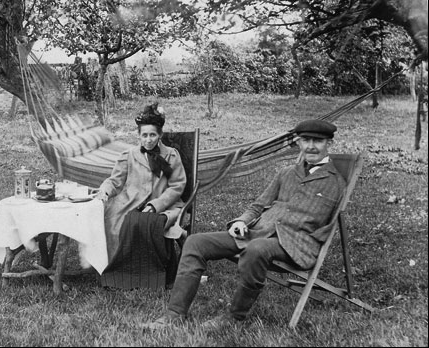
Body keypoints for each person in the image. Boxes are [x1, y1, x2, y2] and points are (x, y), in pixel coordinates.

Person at [143, 119, 347, 327]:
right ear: (298, 142)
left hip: (297, 244)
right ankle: (175, 314)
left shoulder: (335, 182)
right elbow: (259, 205)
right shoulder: (286, 173)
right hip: (258, 234)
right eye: (306, 140)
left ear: (329, 143)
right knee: (195, 242)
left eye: (318, 141)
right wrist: (242, 221)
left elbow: (316, 224)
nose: (311, 146)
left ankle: (235, 317)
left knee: (257, 249)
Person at [95, 102, 187, 289]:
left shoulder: (170, 156)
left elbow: (177, 186)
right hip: (129, 203)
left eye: (153, 135)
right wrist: (105, 190)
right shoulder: (129, 155)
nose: (148, 140)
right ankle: (118, 271)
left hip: (164, 204)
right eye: (144, 135)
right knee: (114, 224)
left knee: (147, 224)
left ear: (160, 135)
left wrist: (156, 205)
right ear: (138, 136)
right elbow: (115, 181)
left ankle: (148, 274)